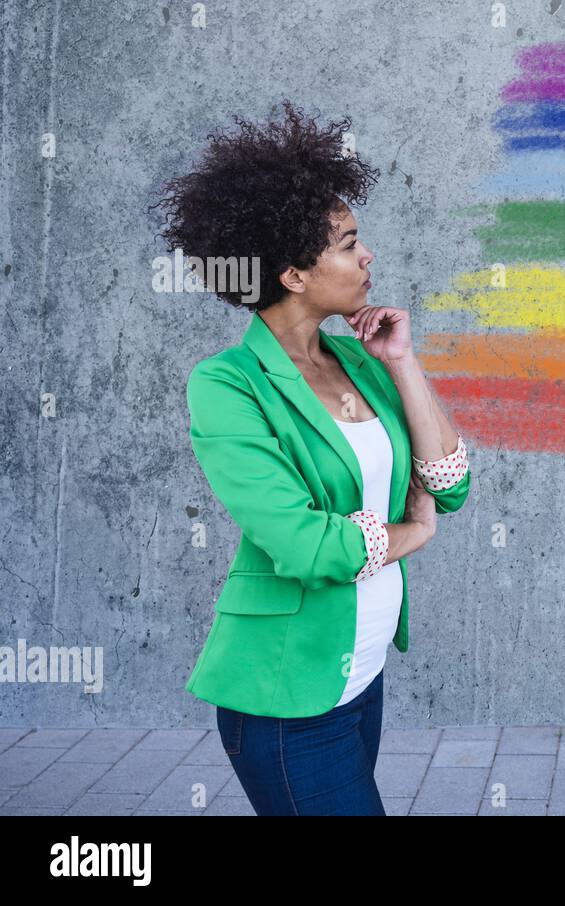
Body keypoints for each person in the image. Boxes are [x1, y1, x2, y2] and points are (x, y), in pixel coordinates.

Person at [151, 100, 471, 815]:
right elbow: (300, 543)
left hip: (360, 675)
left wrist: (404, 365)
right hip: (284, 694)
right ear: (294, 273)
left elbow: (450, 483)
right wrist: (412, 535)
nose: (368, 257)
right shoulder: (228, 386)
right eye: (349, 244)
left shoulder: (360, 359)